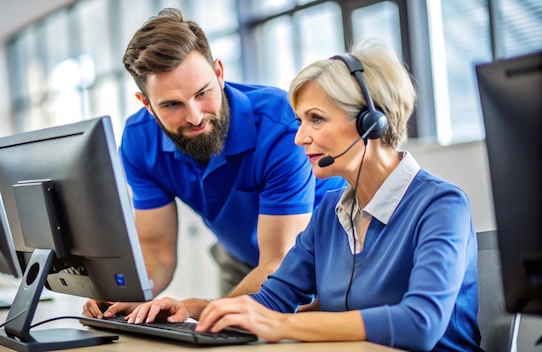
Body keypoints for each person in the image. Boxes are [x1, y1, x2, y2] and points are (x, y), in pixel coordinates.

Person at [124, 40, 483, 351]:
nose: (299, 138)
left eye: (316, 119)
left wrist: (281, 326)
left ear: (370, 122)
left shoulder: (440, 205)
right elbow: (271, 299)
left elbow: (419, 325)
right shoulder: (331, 211)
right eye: (299, 121)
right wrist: (189, 308)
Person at [82, 8, 345, 320]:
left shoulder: (282, 128)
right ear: (147, 105)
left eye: (202, 93)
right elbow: (155, 251)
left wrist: (195, 308)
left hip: (320, 263)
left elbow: (280, 263)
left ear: (219, 73)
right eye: (171, 104)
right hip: (240, 261)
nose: (194, 116)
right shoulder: (140, 142)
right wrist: (126, 296)